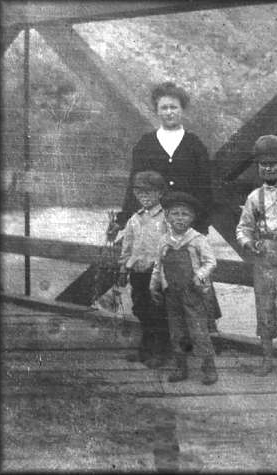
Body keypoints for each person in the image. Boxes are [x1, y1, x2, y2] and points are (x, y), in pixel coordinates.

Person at [107, 81, 221, 326]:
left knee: (183, 285)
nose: (169, 112)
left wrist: (199, 226)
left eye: (174, 107)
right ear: (156, 111)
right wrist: (122, 219)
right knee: (151, 283)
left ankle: (182, 343)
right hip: (151, 226)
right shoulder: (145, 144)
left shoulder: (194, 145)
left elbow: (205, 189)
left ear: (182, 110)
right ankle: (155, 341)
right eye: (164, 107)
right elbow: (133, 186)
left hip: (183, 227)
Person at [236, 135, 277, 377]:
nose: (269, 168)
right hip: (263, 259)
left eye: (274, 163)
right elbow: (243, 228)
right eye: (264, 164)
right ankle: (266, 359)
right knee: (264, 308)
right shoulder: (255, 197)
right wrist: (248, 243)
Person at [150, 191, 219, 385]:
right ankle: (181, 367)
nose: (180, 218)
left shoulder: (197, 239)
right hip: (172, 293)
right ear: (167, 216)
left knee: (198, 330)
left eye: (185, 214)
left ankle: (208, 366)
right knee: (177, 330)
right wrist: (154, 285)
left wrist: (199, 276)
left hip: (193, 293)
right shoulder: (164, 241)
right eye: (175, 214)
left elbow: (210, 262)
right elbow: (158, 265)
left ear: (192, 218)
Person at [118, 170, 171, 368]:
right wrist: (124, 269)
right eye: (139, 192)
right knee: (140, 309)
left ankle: (161, 351)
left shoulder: (166, 219)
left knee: (158, 311)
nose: (144, 196)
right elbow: (127, 247)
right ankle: (146, 348)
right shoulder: (134, 219)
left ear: (160, 193)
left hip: (157, 274)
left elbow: (171, 246)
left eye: (149, 192)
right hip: (137, 273)